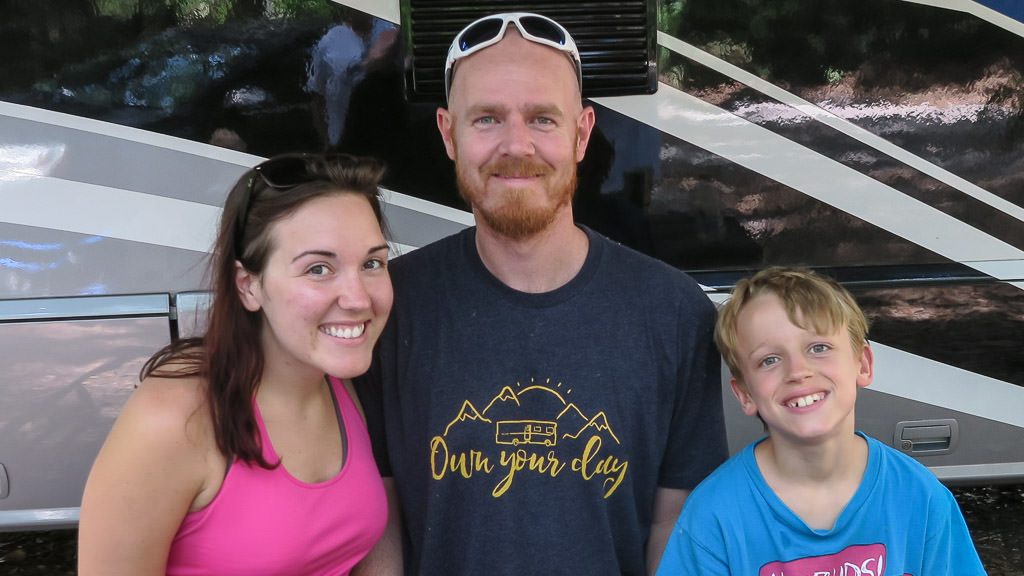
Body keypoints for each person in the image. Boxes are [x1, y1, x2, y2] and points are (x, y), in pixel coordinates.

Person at [354, 12, 728, 576]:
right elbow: (377, 519)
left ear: (581, 134)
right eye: (486, 119)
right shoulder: (389, 308)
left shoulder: (673, 313)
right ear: (447, 134)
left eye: (542, 119)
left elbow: (672, 526)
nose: (516, 144)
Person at [78, 153, 394, 575]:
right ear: (249, 286)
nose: (358, 299)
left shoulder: (342, 381)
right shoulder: (174, 418)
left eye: (372, 263)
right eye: (319, 268)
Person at [656, 267, 987, 575]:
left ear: (863, 364)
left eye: (818, 347)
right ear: (744, 393)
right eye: (769, 359)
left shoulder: (919, 496)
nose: (798, 371)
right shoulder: (713, 516)